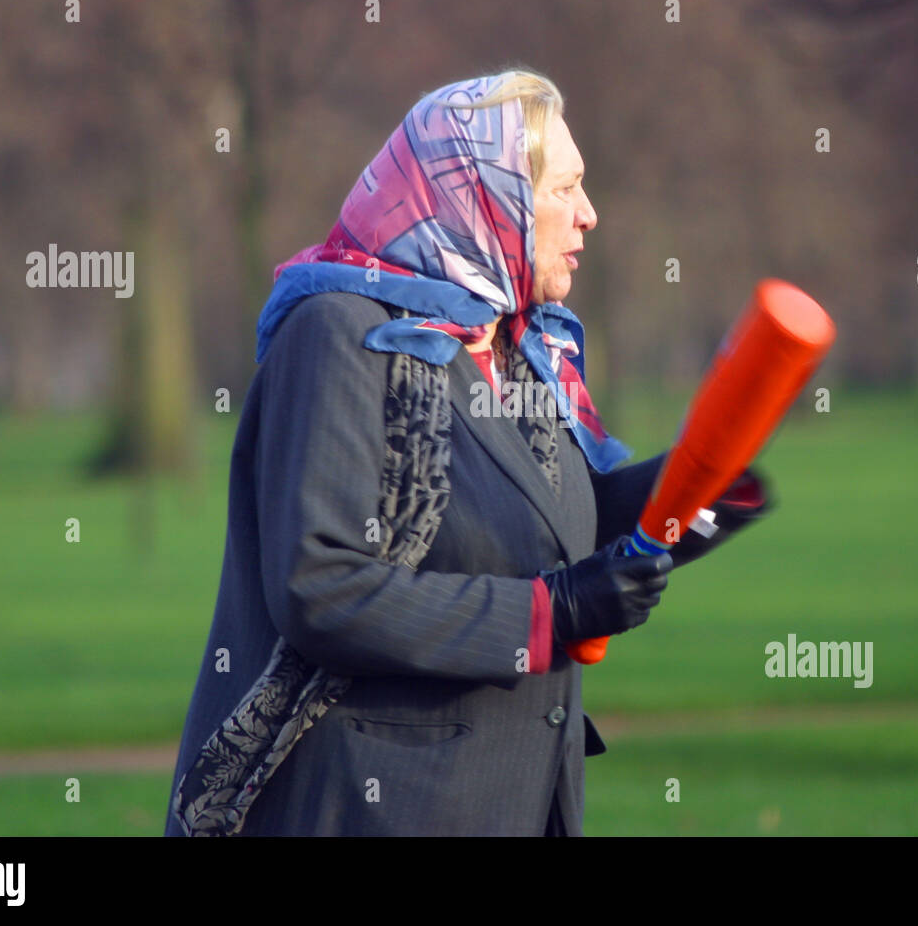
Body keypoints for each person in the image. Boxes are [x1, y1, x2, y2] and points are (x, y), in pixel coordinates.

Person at [164, 69, 768, 837]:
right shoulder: (341, 335)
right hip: (368, 808)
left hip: (517, 800)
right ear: (489, 195)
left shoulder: (515, 349)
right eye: (564, 190)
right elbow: (322, 588)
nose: (589, 215)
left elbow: (568, 526)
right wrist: (552, 613)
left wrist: (712, 481)